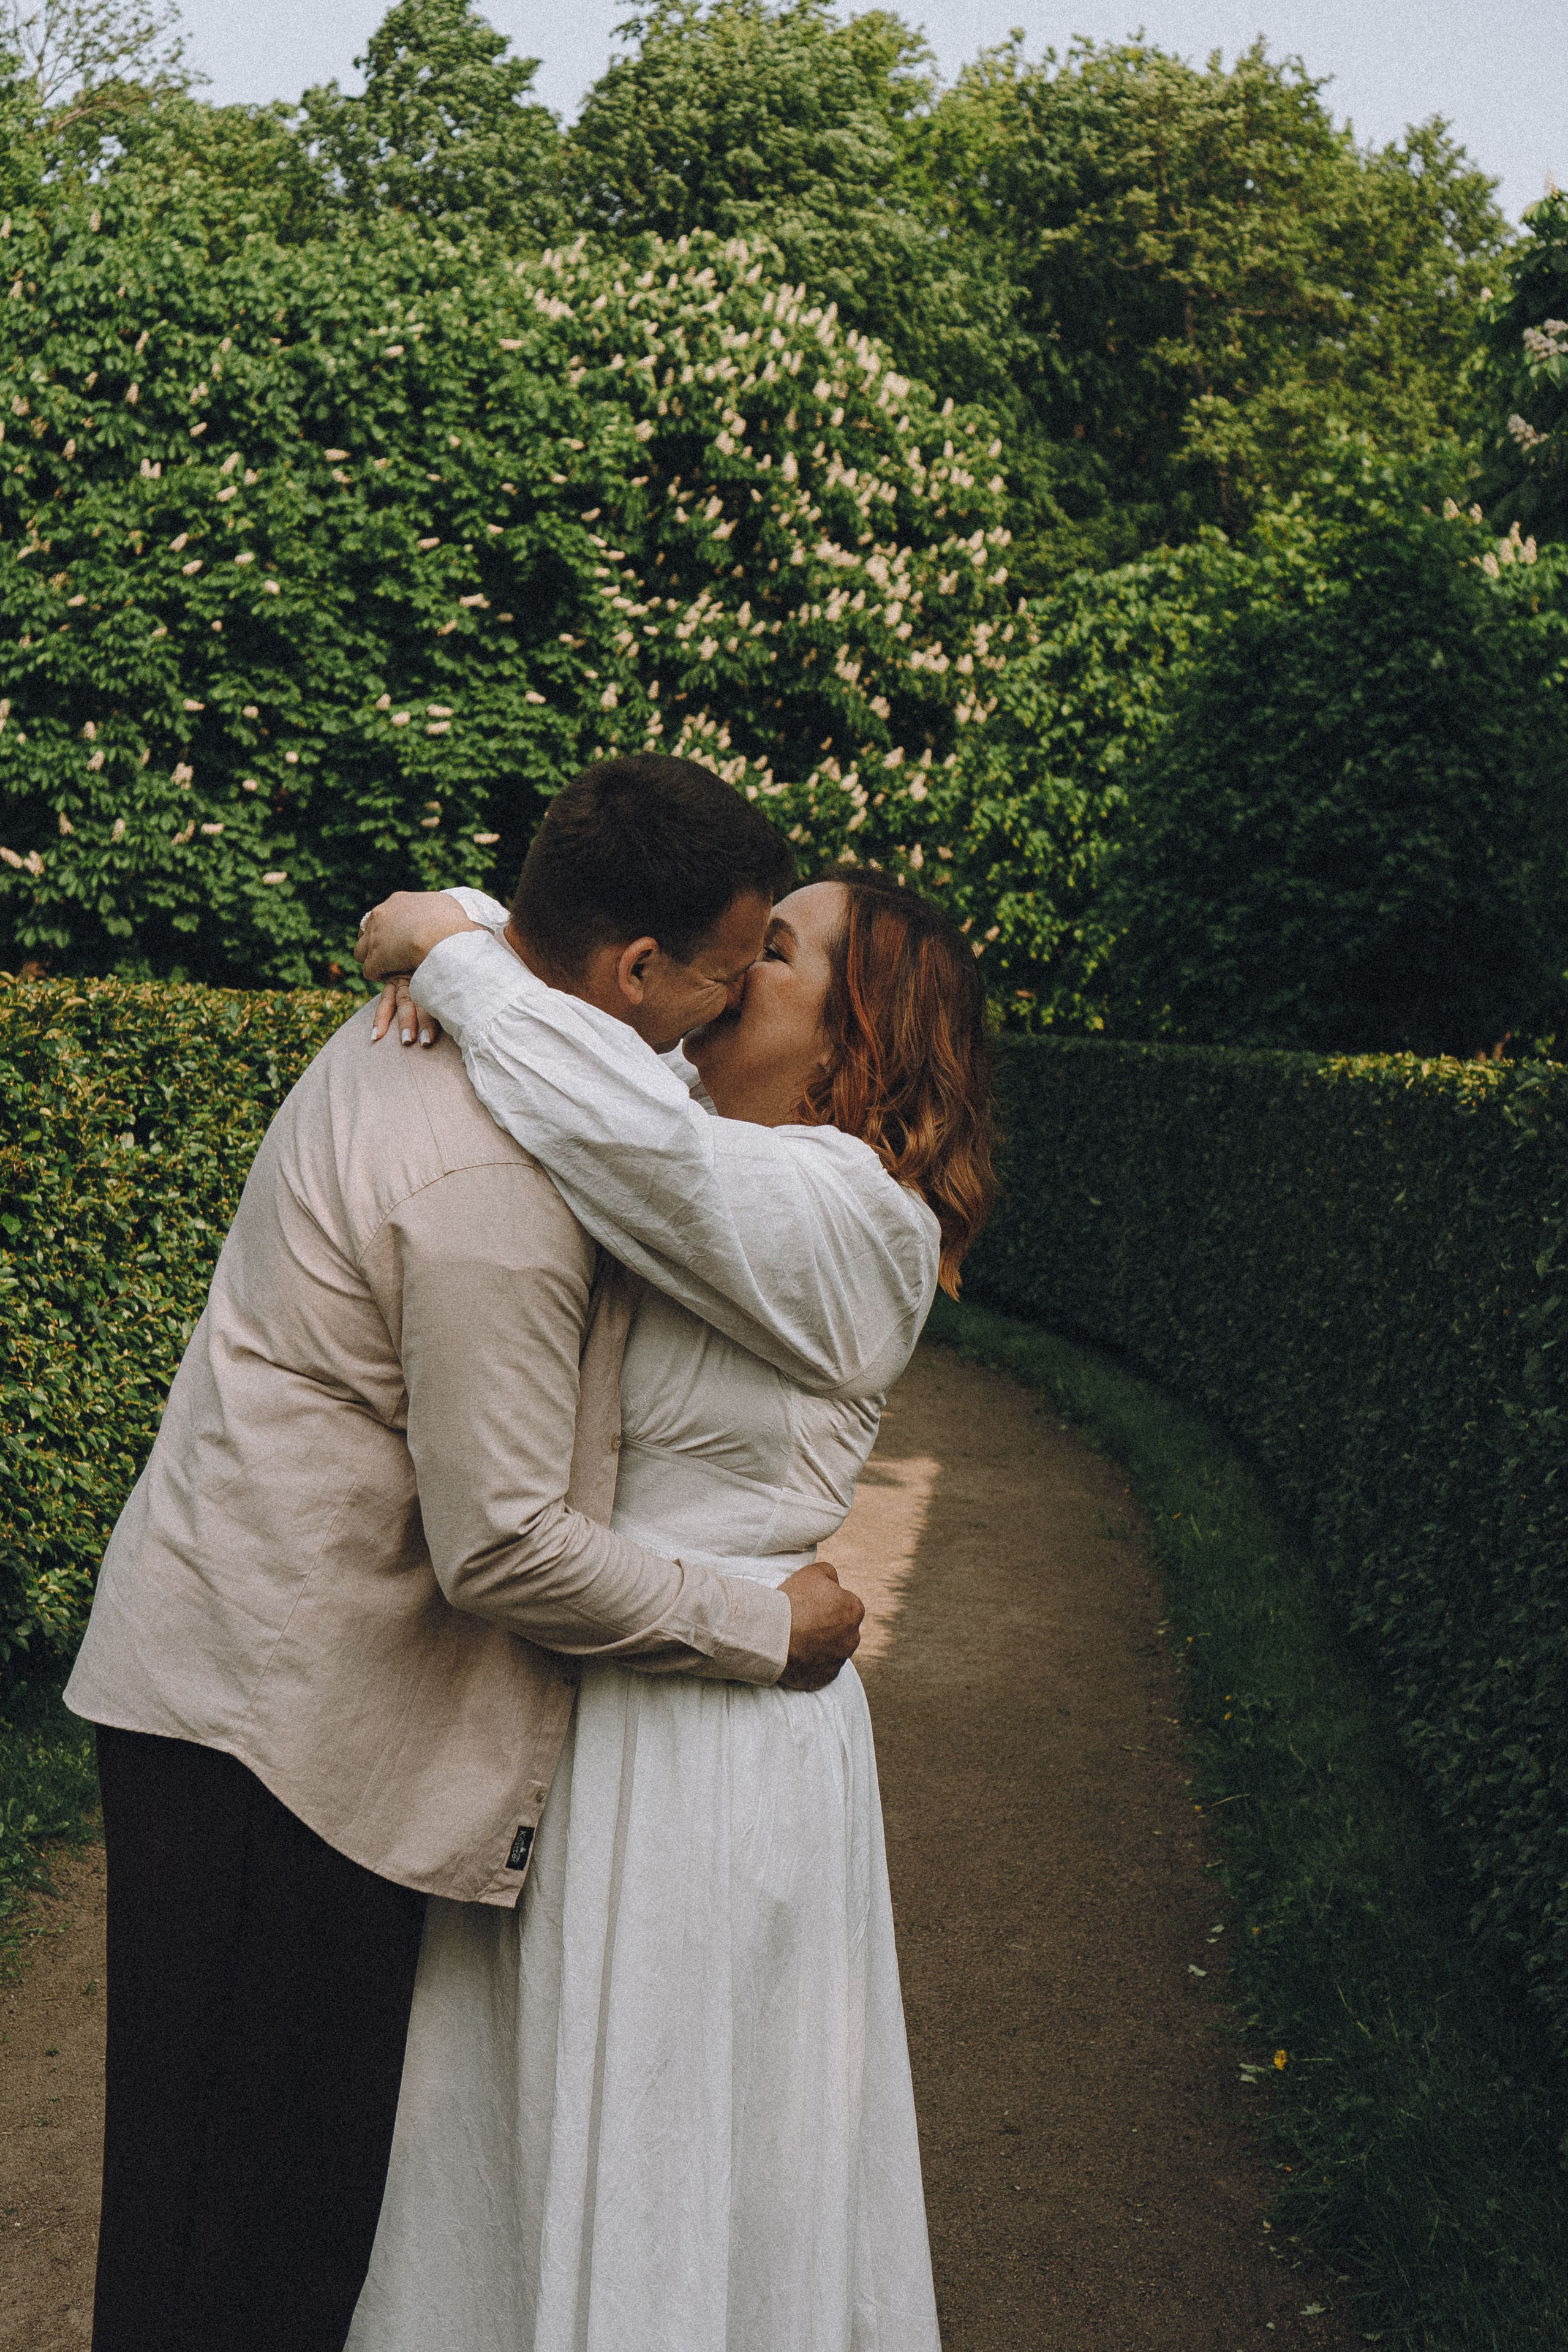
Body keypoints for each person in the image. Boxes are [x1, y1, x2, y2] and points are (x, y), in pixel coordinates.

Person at [62, 754, 869, 2352]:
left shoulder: (505, 1004)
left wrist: (442, 935)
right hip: (274, 1732)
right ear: (639, 973)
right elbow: (503, 1550)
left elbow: (514, 952)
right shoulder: (499, 1177)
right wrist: (762, 1627)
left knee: (208, 2225)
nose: (734, 1002)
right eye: (733, 962)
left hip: (243, 1689)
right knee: (248, 2257)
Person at [347, 842, 995, 2351]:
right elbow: (606, 1053)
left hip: (708, 1747)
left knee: (675, 2145)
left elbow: (640, 1144)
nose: (721, 961)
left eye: (772, 951)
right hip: (577, 1686)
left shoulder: (856, 1217)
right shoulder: (673, 1138)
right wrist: (500, 933)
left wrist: (460, 951)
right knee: (505, 2135)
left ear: (861, 1042)